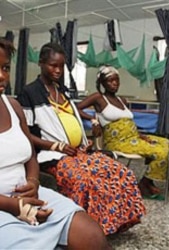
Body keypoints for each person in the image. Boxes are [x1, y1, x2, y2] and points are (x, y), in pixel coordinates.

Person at [17, 42, 145, 235]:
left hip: (78, 152)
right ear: (41, 63)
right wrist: (56, 145)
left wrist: (86, 136)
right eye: (53, 65)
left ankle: (114, 224)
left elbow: (74, 115)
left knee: (120, 172)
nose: (58, 70)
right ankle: (82, 230)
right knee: (84, 179)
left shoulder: (62, 91)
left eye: (61, 66)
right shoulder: (30, 93)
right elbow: (24, 133)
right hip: (51, 155)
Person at [0, 39, 111, 249]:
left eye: (5, 68)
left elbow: (30, 154)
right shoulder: (32, 93)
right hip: (7, 203)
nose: (2, 77)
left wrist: (33, 182)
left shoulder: (13, 106)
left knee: (92, 236)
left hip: (27, 194)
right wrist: (13, 205)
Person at [77, 65, 169, 200]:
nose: (114, 83)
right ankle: (144, 183)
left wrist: (140, 135)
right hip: (118, 142)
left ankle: (148, 181)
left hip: (133, 137)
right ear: (103, 83)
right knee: (160, 151)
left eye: (117, 80)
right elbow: (75, 108)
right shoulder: (99, 98)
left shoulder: (123, 100)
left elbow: (127, 123)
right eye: (110, 81)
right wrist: (93, 120)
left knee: (166, 142)